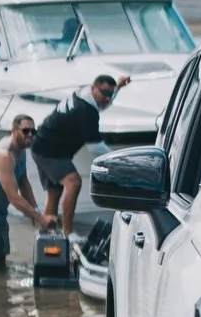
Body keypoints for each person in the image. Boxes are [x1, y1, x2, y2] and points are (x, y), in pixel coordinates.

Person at [31, 73, 131, 235]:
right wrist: (120, 161)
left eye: (110, 94)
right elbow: (95, 148)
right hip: (49, 150)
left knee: (55, 191)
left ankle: (47, 233)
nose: (107, 98)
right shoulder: (86, 110)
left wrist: (118, 87)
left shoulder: (85, 94)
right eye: (104, 93)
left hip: (43, 145)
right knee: (73, 182)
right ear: (93, 88)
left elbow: (105, 101)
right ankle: (68, 233)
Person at [0, 114, 51, 267]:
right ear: (13, 130)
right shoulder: (4, 156)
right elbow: (13, 196)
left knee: (1, 264)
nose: (30, 135)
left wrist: (35, 210)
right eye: (25, 131)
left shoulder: (21, 151)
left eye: (33, 131)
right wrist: (39, 218)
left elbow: (23, 182)